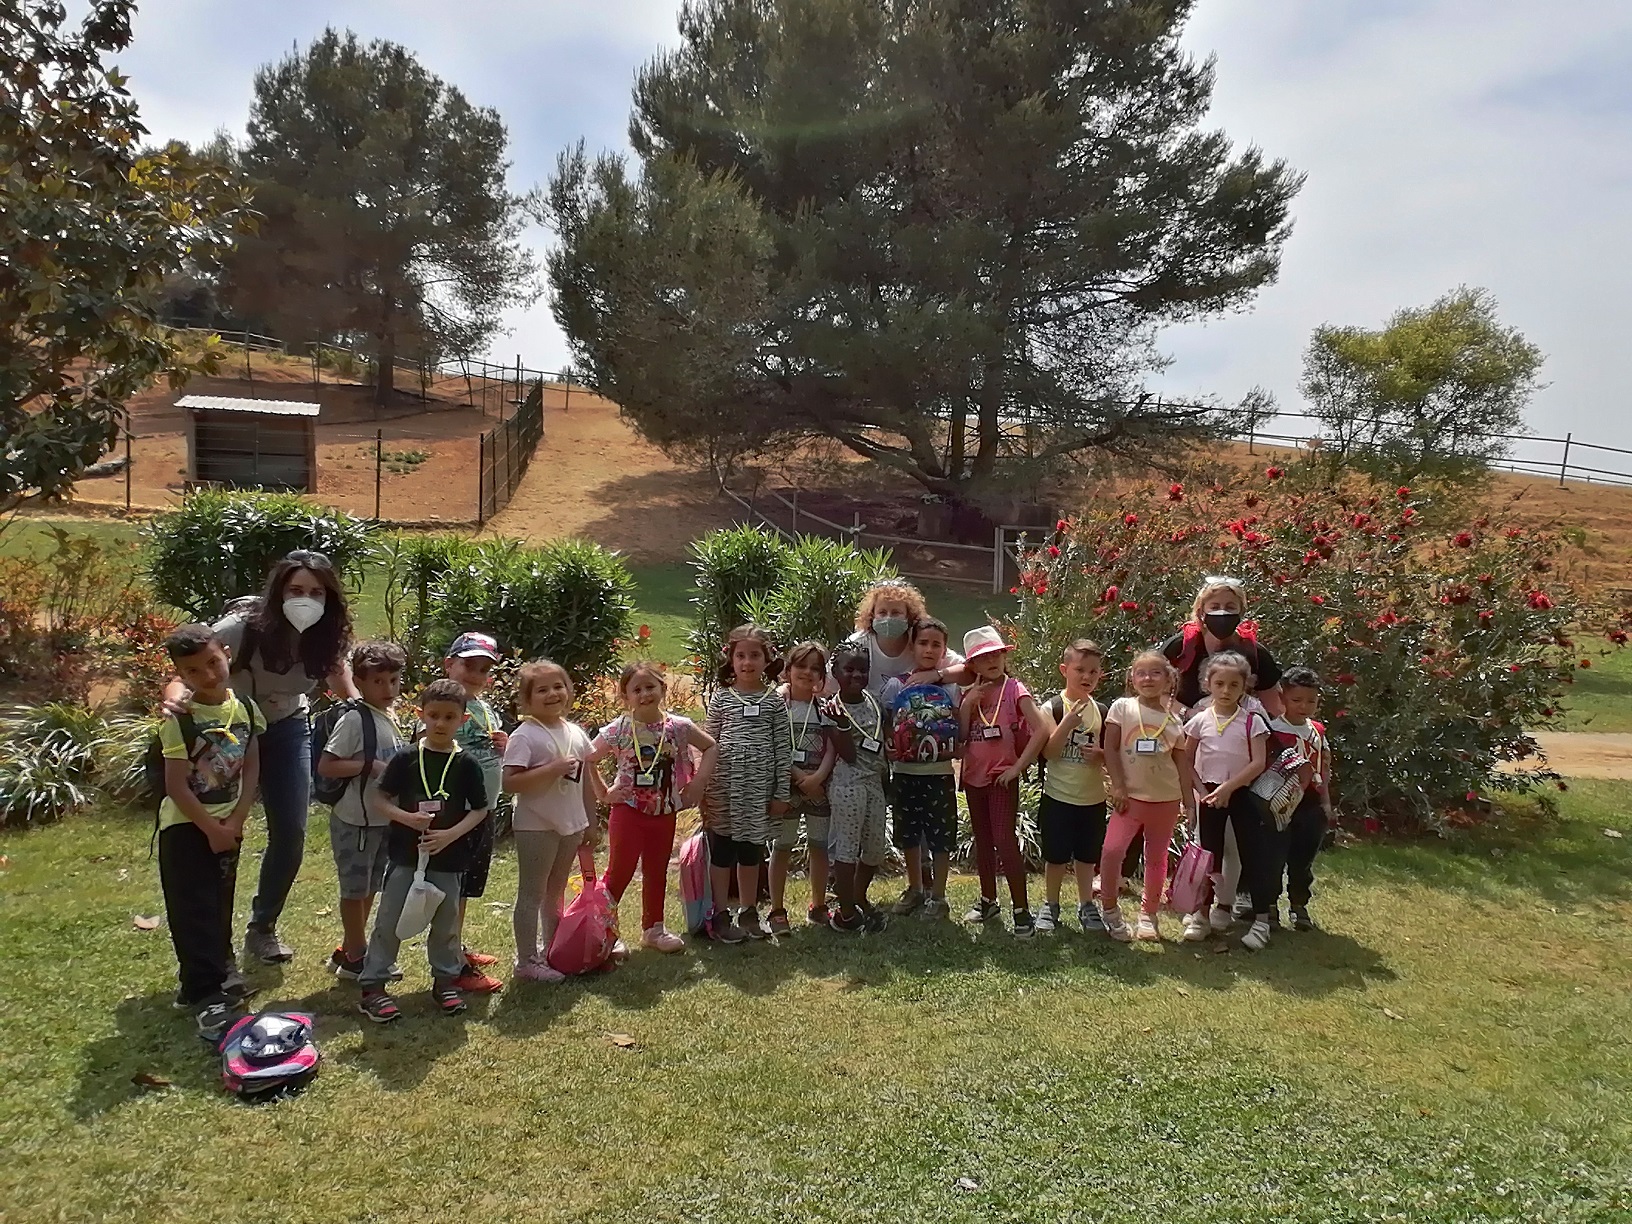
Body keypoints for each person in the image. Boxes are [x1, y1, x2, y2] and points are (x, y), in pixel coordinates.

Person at [160, 549, 356, 966]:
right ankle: (213, 943)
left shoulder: (327, 633)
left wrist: (358, 704)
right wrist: (174, 700)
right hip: (230, 733)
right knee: (217, 830)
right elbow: (187, 668)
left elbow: (336, 670)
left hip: (287, 729)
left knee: (291, 833)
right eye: (296, 590)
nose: (306, 600)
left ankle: (262, 927)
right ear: (279, 591)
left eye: (316, 593)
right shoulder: (240, 628)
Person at [357, 678, 491, 1022]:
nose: (440, 723)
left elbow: (479, 809)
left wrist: (449, 835)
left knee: (446, 923)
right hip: (406, 855)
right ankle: (373, 987)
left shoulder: (466, 764)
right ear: (420, 715)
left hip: (449, 859)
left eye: (449, 717)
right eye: (434, 715)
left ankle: (445, 982)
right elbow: (379, 798)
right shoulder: (406, 758)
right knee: (390, 919)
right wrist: (406, 818)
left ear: (463, 720)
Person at [155, 623, 265, 1042]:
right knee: (193, 908)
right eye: (193, 671)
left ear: (226, 655)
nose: (208, 675)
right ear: (180, 674)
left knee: (219, 902)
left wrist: (235, 821)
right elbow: (176, 785)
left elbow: (251, 766)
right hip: (187, 829)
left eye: (213, 663)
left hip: (228, 825)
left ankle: (206, 978)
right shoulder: (179, 721)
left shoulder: (247, 710)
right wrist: (210, 827)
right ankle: (206, 996)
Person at [1161, 574, 1285, 918]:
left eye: (1230, 606)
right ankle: (1196, 902)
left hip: (1241, 752)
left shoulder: (1254, 653)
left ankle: (1234, 898)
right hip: (1194, 743)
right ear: (1200, 609)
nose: (1222, 612)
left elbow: (1275, 706)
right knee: (1203, 828)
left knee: (1238, 831)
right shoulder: (1182, 646)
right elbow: (1154, 687)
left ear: (1242, 611)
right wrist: (1189, 714)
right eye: (1214, 605)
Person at [591, 661, 717, 952]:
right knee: (619, 872)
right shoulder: (619, 729)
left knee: (656, 869)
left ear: (663, 688)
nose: (645, 694)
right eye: (636, 690)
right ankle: (604, 931)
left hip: (664, 812)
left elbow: (711, 746)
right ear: (625, 696)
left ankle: (654, 929)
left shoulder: (679, 727)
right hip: (628, 811)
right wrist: (603, 793)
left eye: (650, 687)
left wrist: (697, 784)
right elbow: (588, 758)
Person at [505, 660, 602, 981]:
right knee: (532, 893)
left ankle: (553, 950)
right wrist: (551, 769)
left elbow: (585, 781)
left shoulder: (575, 732)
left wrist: (591, 821)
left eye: (558, 686)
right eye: (542, 690)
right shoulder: (524, 735)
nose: (552, 694)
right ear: (527, 699)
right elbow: (510, 782)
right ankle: (526, 961)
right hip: (536, 825)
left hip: (570, 824)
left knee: (555, 891)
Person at [316, 640, 408, 979]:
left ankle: (350, 949)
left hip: (382, 819)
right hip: (356, 820)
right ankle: (357, 956)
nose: (388, 689)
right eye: (378, 682)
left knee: (370, 887)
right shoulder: (355, 719)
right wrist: (369, 766)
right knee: (354, 890)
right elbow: (327, 765)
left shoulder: (389, 715)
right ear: (359, 681)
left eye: (394, 681)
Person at [957, 626, 1050, 938]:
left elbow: (1041, 729)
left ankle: (1022, 910)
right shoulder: (969, 693)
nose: (992, 661)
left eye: (996, 654)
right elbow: (961, 737)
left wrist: (1017, 768)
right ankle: (988, 900)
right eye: (983, 657)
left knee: (1004, 839)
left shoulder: (1014, 689)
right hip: (973, 778)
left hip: (1001, 778)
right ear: (972, 665)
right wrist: (968, 705)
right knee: (983, 840)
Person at [702, 624, 792, 943]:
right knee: (722, 849)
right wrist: (702, 786)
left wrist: (781, 793)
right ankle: (720, 913)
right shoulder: (721, 698)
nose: (747, 662)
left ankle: (749, 910)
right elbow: (708, 742)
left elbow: (783, 749)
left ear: (767, 660)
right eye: (740, 655)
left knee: (750, 851)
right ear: (731, 659)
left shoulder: (774, 702)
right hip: (723, 790)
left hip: (757, 792)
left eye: (755, 655)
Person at [1181, 652, 1275, 950]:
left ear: (1245, 686)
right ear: (1207, 684)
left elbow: (1258, 762)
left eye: (1234, 685)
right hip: (1210, 796)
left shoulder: (1252, 722)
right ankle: (1201, 916)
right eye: (1219, 684)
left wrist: (1228, 789)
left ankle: (1262, 921)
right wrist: (1201, 790)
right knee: (1209, 857)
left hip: (1241, 794)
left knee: (1253, 854)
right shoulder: (1199, 720)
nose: (1225, 691)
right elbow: (1185, 759)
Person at [1100, 650, 1194, 942]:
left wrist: (1189, 802)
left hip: (1165, 800)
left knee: (1156, 858)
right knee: (1112, 851)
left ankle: (1148, 915)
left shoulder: (1174, 722)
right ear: (1132, 678)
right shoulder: (1122, 708)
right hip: (1129, 798)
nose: (1148, 679)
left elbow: (1182, 765)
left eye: (1155, 673)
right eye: (1141, 673)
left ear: (1169, 680)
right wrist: (1118, 786)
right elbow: (1110, 749)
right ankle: (1109, 909)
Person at [880, 618, 961, 919]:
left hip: (940, 773)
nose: (928, 649)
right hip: (904, 772)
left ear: (944, 650)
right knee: (909, 834)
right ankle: (915, 888)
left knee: (941, 837)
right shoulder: (896, 684)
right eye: (923, 643)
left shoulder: (951, 686)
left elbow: (958, 725)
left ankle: (938, 896)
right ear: (912, 646)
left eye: (936, 644)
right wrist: (889, 744)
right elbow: (888, 723)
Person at [440, 632, 508, 982]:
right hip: (457, 811)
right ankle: (451, 963)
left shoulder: (485, 708)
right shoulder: (442, 705)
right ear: (449, 665)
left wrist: (502, 745)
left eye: (483, 669)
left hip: (484, 808)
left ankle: (456, 945)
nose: (476, 675)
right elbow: (427, 747)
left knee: (466, 884)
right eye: (468, 666)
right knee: (452, 884)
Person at [1036, 639, 1109, 934]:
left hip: (1093, 799)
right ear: (1064, 670)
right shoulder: (1051, 708)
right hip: (1058, 797)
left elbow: (1111, 755)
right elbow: (1049, 752)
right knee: (1055, 857)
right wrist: (1067, 723)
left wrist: (1100, 755)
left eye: (1093, 671)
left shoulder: (1102, 711)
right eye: (1080, 670)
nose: (1087, 677)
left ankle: (1086, 904)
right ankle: (1050, 904)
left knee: (1087, 857)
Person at [823, 639, 892, 934]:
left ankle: (858, 896)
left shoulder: (874, 702)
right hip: (848, 783)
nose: (857, 675)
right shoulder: (831, 709)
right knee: (848, 847)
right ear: (835, 672)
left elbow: (883, 741)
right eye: (849, 670)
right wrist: (841, 725)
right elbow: (849, 755)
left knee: (874, 848)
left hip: (875, 782)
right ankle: (847, 912)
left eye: (863, 670)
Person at [771, 642, 837, 930]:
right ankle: (776, 910)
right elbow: (775, 747)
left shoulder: (825, 709)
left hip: (818, 790)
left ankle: (818, 905)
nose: (807, 672)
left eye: (815, 668)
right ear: (788, 670)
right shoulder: (778, 707)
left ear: (822, 676)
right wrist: (800, 777)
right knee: (782, 847)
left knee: (819, 846)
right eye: (801, 666)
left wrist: (818, 777)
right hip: (786, 788)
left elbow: (833, 747)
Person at [1268, 667, 1335, 931]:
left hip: (1310, 803)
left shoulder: (1317, 731)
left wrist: (1326, 802)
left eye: (1311, 701)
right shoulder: (1273, 730)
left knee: (1303, 858)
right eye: (1296, 700)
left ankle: (1299, 905)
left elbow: (1324, 768)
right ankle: (1269, 906)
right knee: (1274, 856)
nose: (1304, 706)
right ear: (1282, 697)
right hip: (1280, 803)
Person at [841, 579, 969, 699]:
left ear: (909, 616)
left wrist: (936, 675)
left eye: (896, 612)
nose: (888, 618)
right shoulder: (858, 643)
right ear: (872, 615)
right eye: (882, 612)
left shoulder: (920, 641)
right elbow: (832, 681)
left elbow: (968, 671)